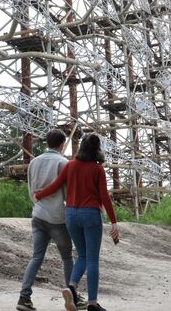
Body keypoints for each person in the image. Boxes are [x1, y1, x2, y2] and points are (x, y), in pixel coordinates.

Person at [34, 133, 118, 311]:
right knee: (93, 260)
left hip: (71, 214)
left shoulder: (70, 165)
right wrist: (114, 221)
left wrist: (39, 195)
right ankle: (92, 304)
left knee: (82, 255)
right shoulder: (97, 169)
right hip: (91, 215)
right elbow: (104, 196)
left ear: (81, 147)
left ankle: (71, 287)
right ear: (97, 149)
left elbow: (56, 185)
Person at [16, 129, 86, 311]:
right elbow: (68, 192)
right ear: (62, 144)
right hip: (57, 218)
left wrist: (39, 204)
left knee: (36, 257)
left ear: (47, 142)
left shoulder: (34, 162)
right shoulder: (64, 163)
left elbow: (32, 190)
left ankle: (24, 297)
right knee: (67, 257)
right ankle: (74, 296)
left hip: (38, 215)